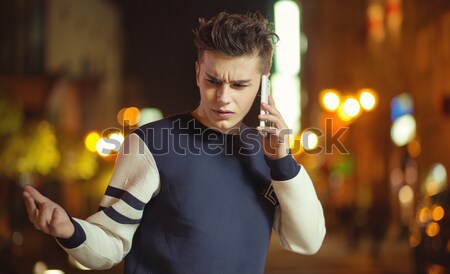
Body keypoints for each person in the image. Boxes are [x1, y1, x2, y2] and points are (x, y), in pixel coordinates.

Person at [22, 11, 326, 274]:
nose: (223, 97)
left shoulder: (270, 156)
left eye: (239, 84)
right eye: (213, 80)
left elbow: (307, 241)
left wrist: (282, 163)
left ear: (264, 83)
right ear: (197, 73)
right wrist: (69, 230)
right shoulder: (151, 144)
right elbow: (112, 242)